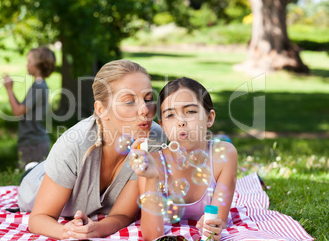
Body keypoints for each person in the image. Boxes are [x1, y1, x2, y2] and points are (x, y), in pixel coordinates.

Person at [20, 59, 166, 240]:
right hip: (34, 184)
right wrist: (68, 232)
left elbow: (123, 215)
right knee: (35, 174)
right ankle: (33, 168)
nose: (145, 110)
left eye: (149, 99)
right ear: (101, 109)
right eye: (129, 102)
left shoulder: (152, 137)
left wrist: (95, 229)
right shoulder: (74, 144)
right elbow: (39, 218)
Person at [129, 77, 238, 241]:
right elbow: (152, 236)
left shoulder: (224, 154)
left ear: (209, 118)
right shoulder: (153, 162)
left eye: (191, 112)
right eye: (170, 115)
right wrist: (151, 178)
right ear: (163, 125)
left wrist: (212, 226)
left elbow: (217, 222)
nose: (181, 122)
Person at [3, 47, 56, 169]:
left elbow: (17, 112)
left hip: (33, 143)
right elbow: (21, 109)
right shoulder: (39, 85)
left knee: (29, 181)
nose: (27, 64)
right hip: (33, 141)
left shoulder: (38, 87)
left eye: (29, 61)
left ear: (38, 65)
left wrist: (9, 90)